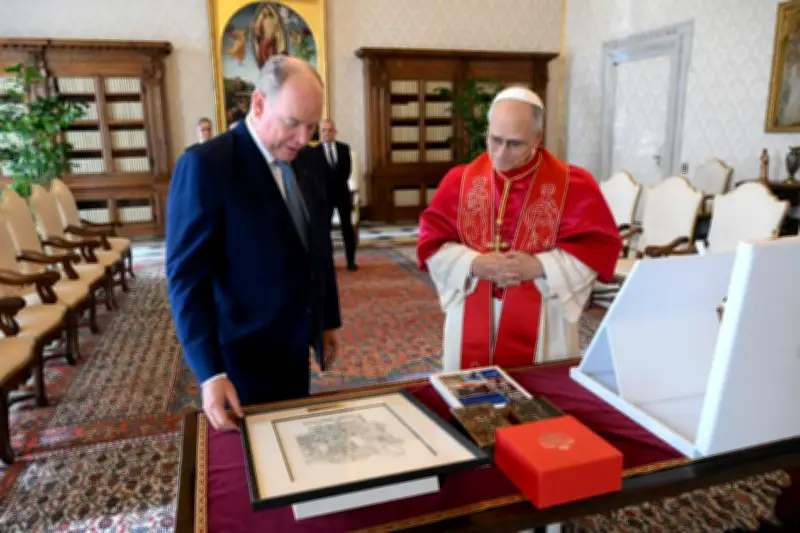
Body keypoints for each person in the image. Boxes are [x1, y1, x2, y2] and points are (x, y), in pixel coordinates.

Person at [166, 55, 342, 430]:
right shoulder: (208, 166)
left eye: (312, 126)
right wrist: (210, 373)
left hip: (295, 345)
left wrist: (326, 320)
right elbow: (186, 280)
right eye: (293, 123)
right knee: (251, 463)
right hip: (241, 357)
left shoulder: (308, 162)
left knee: (293, 443)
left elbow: (317, 247)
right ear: (258, 104)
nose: (302, 139)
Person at [417, 87, 621, 371]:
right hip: (472, 308)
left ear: (537, 138)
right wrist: (474, 263)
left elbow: (597, 248)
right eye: (494, 140)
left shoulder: (574, 185)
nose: (500, 154)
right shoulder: (459, 180)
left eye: (514, 144)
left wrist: (539, 266)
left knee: (540, 402)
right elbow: (432, 243)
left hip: (544, 318)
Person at [313, 119, 357, 270]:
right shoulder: (314, 152)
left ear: (335, 131)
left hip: (342, 193)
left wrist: (336, 184)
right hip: (324, 197)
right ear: (320, 133)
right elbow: (316, 175)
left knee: (347, 228)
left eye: (330, 130)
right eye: (324, 130)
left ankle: (351, 261)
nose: (327, 133)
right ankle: (327, 262)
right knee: (324, 230)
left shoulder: (344, 148)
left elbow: (347, 171)